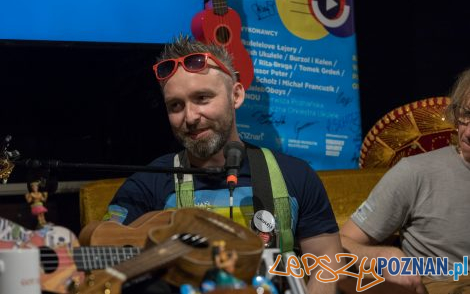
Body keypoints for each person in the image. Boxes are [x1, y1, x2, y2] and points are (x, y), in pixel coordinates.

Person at [104, 35, 343, 294]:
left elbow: (326, 260)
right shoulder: (148, 183)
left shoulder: (295, 175)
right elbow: (103, 243)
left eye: (203, 98)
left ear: (236, 95)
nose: (191, 117)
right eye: (176, 105)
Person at [340, 67, 470, 294]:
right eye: (467, 115)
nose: (468, 132)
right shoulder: (415, 172)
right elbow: (340, 243)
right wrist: (384, 257)